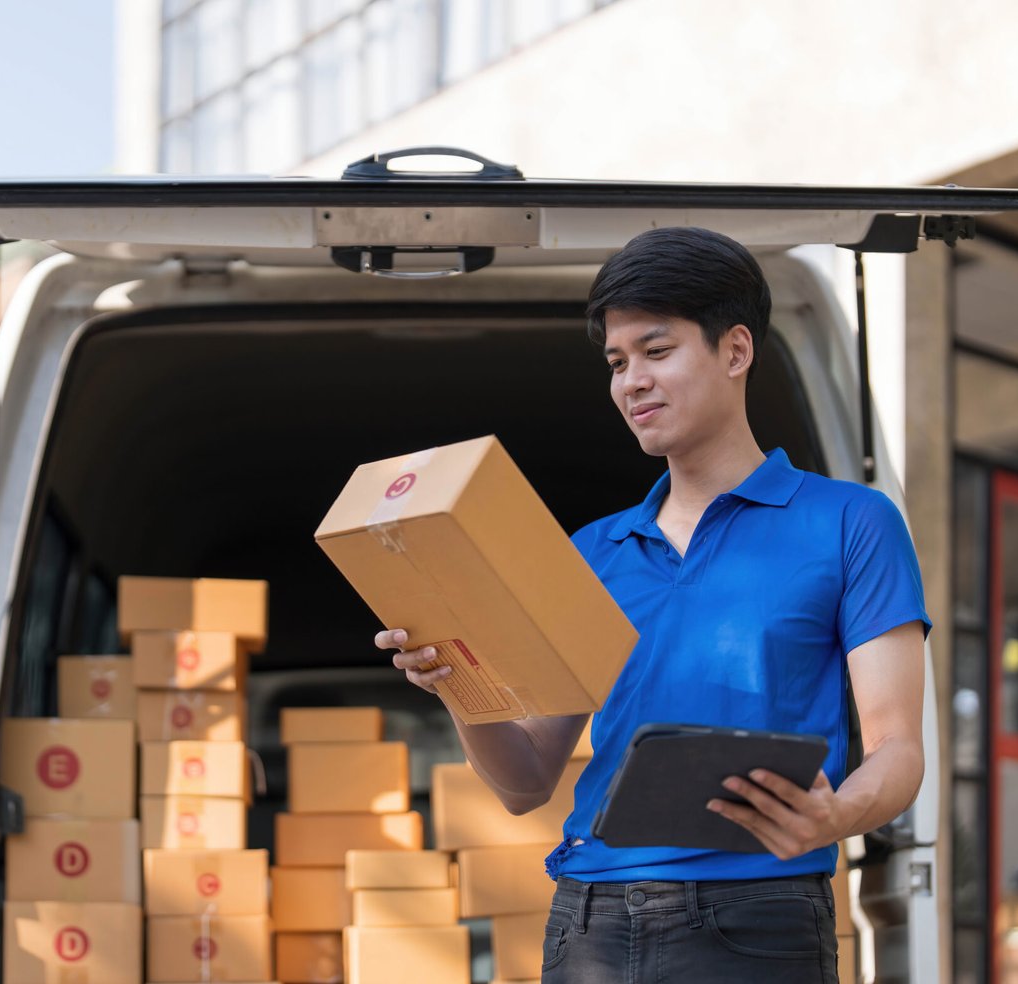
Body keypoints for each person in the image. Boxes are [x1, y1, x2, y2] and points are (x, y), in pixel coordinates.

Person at [376, 227, 931, 982]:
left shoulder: (850, 524)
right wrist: (456, 682)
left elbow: (898, 748)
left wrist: (838, 815)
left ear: (735, 351)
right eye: (616, 361)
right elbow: (526, 782)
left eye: (656, 351)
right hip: (589, 922)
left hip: (757, 920)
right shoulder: (590, 553)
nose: (630, 380)